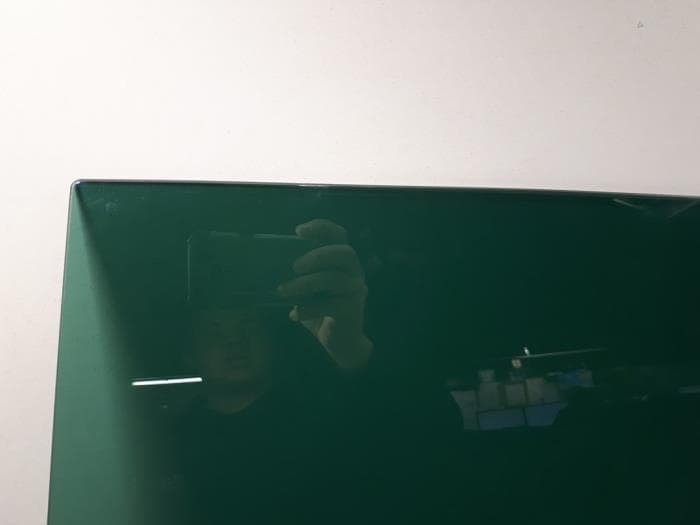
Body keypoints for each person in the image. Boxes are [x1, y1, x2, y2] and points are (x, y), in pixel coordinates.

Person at [175, 218, 462, 525]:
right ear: (188, 351)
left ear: (270, 337)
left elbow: (436, 442)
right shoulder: (169, 445)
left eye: (248, 325)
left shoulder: (323, 412)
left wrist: (350, 347)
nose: (234, 341)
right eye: (214, 330)